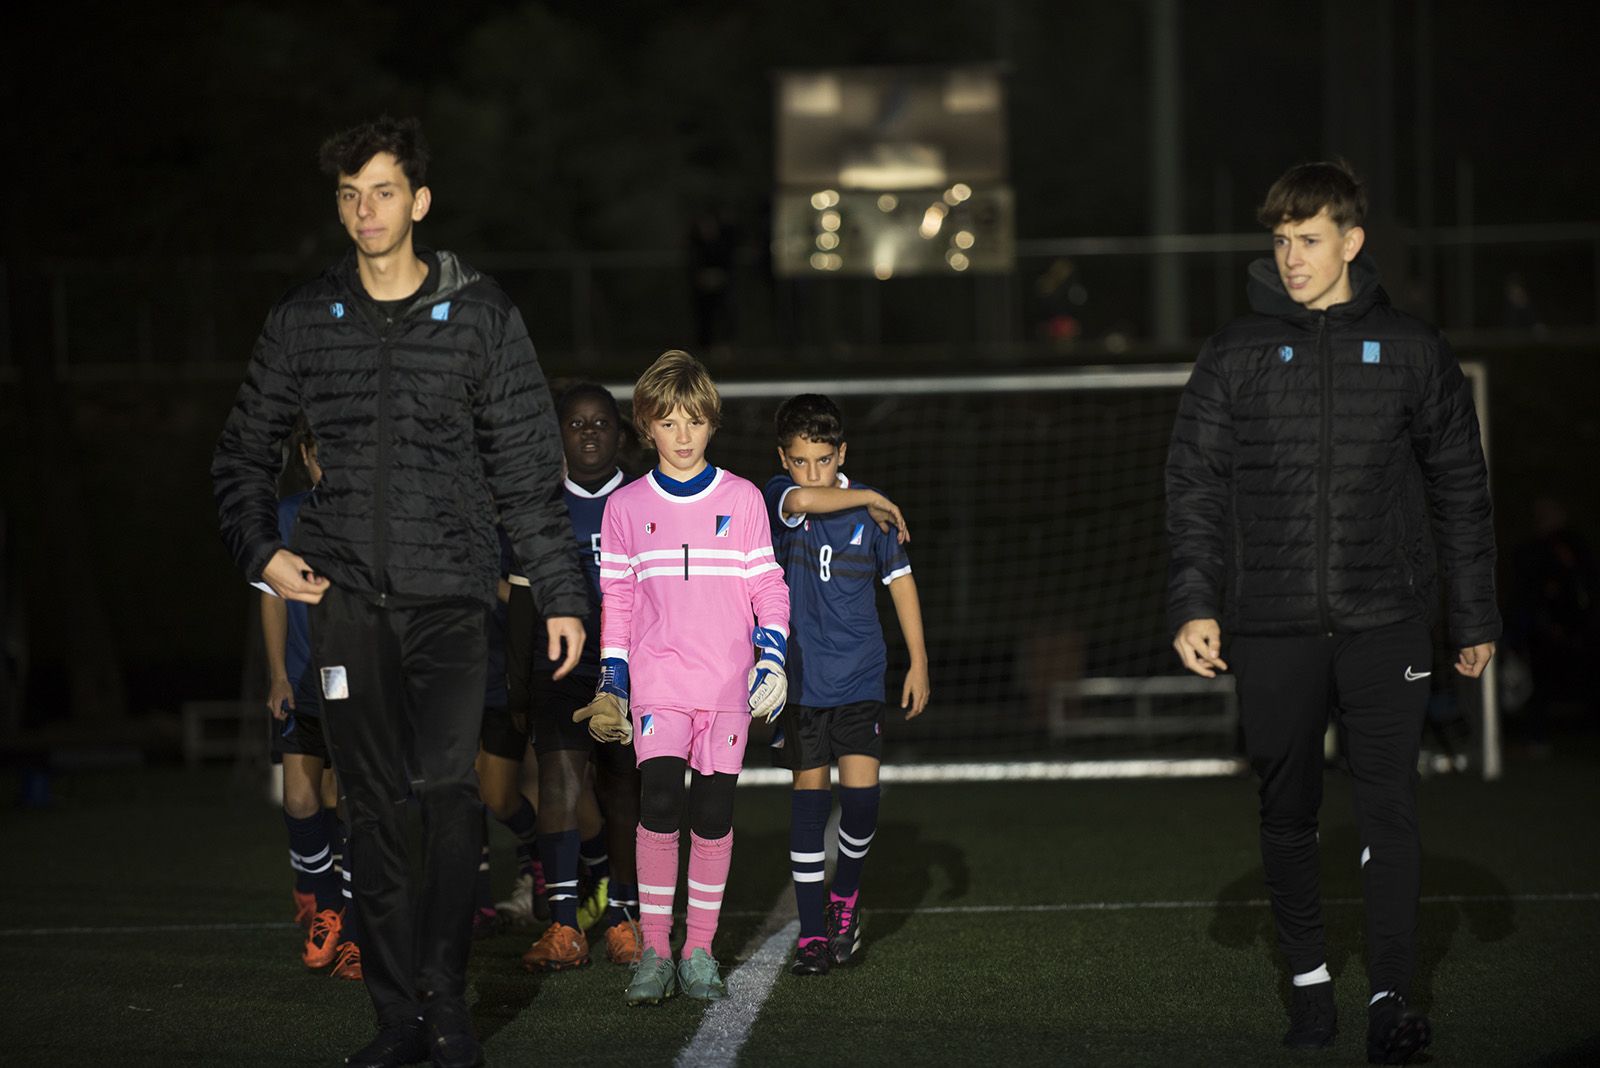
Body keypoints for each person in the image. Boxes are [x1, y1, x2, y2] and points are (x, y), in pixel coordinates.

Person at [211, 115, 587, 1068]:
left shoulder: (482, 314)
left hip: (453, 599)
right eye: (348, 194)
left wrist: (560, 589)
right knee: (372, 810)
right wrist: (263, 550)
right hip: (343, 606)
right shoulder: (304, 317)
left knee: (448, 796)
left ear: (418, 202)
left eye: (382, 191)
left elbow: (527, 467)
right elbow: (243, 451)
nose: (364, 211)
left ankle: (449, 1006)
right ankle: (396, 1018)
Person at [1165, 160, 1499, 1065]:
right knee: (1288, 808)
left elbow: (1460, 488)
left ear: (1353, 242)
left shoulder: (1413, 350)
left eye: (1309, 240)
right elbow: (1194, 485)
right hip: (1268, 623)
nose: (1292, 257)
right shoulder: (1234, 351)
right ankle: (1310, 986)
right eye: (1280, 241)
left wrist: (1472, 615)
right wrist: (1196, 601)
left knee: (1389, 805)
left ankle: (1392, 998)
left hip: (1385, 617)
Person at [575, 350, 790, 1005]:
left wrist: (773, 655)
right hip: (658, 683)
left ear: (711, 423)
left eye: (695, 420)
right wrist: (612, 679)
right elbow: (619, 602)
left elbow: (768, 585)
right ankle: (656, 952)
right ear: (647, 427)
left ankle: (698, 949)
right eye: (669, 422)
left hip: (728, 686)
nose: (684, 434)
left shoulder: (744, 498)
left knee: (715, 814)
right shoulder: (626, 508)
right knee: (660, 803)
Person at [762, 394, 930, 975]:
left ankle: (844, 901)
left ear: (842, 453)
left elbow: (901, 583)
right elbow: (807, 498)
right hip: (803, 682)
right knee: (809, 804)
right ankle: (811, 934)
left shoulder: (872, 519)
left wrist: (919, 661)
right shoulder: (782, 499)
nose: (813, 472)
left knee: (860, 803)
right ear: (784, 460)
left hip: (860, 676)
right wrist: (872, 495)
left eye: (824, 459)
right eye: (801, 461)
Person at [519, 383, 644, 972]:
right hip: (561, 665)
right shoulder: (538, 507)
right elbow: (517, 601)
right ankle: (565, 925)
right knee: (559, 788)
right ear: (558, 434)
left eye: (601, 423)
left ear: (620, 434)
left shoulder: (648, 501)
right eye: (576, 423)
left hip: (636, 666)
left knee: (624, 794)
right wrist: (517, 684)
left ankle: (624, 916)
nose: (589, 432)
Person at [261, 418, 363, 981]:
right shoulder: (284, 516)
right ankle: (327, 904)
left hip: (355, 681)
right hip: (302, 680)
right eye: (321, 450)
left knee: (350, 800)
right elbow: (273, 600)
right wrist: (277, 674)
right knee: (300, 799)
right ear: (305, 454)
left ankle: (353, 930)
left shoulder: (370, 515)